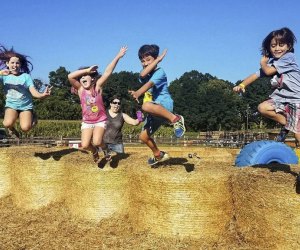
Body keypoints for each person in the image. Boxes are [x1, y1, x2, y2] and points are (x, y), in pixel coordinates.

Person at [233, 27, 300, 144]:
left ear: (289, 46)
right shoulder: (272, 65)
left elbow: (268, 72)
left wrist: (263, 63)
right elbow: (255, 75)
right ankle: (288, 124)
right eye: (273, 46)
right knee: (262, 108)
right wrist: (242, 85)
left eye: (281, 45)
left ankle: (291, 126)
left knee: (298, 133)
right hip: (281, 99)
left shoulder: (288, 58)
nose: (277, 48)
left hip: (296, 99)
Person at [129, 44, 186, 166]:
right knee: (143, 137)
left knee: (145, 106)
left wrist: (138, 92)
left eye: (148, 60)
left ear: (155, 59)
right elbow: (142, 75)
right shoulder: (145, 73)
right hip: (154, 111)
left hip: (164, 105)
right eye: (142, 61)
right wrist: (154, 61)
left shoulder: (160, 72)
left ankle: (175, 119)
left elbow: (149, 84)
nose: (144, 63)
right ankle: (158, 155)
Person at [68, 46, 127, 163]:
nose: (83, 77)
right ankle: (94, 151)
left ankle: (105, 150)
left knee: (97, 141)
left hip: (100, 120)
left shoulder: (98, 88)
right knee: (85, 145)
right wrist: (86, 70)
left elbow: (107, 72)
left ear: (93, 79)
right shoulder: (80, 90)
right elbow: (70, 76)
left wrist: (118, 57)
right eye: (81, 77)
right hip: (87, 121)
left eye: (86, 76)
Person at [0, 45, 51, 139]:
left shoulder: (25, 77)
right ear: (7, 63)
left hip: (25, 106)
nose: (14, 65)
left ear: (20, 65)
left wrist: (42, 95)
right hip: (11, 105)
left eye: (17, 63)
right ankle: (12, 130)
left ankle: (33, 116)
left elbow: (33, 92)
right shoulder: (4, 76)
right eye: (12, 63)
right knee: (7, 123)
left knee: (25, 128)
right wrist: (0, 73)